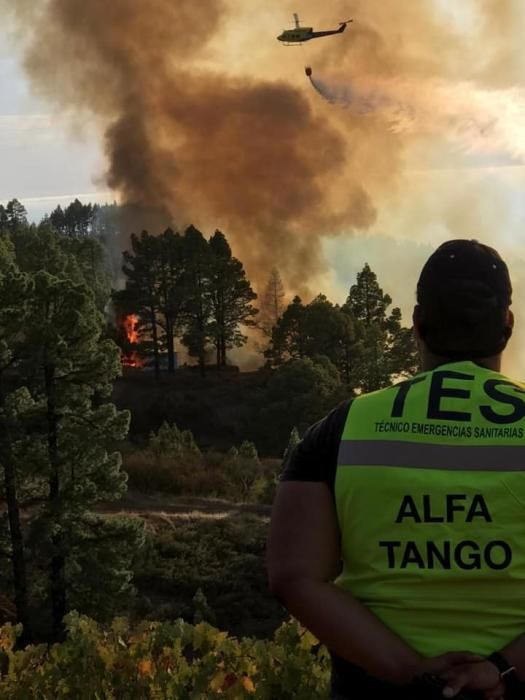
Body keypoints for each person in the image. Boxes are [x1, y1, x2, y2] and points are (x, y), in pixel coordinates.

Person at [267, 239, 525, 700]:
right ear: (507, 326)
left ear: (417, 323)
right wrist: (502, 669)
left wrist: (410, 669)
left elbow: (293, 576)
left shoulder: (341, 429)